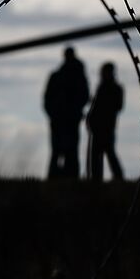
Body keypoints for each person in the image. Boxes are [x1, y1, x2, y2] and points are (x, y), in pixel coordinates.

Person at [43, 47, 89, 179]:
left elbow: (84, 96)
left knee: (66, 150)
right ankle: (63, 178)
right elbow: (47, 98)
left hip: (67, 118)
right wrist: (52, 112)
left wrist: (53, 112)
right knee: (62, 150)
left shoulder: (64, 76)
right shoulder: (66, 76)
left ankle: (63, 178)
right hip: (62, 118)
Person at [86, 62, 124, 181]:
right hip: (97, 127)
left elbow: (118, 106)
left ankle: (117, 177)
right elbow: (95, 107)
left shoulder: (115, 88)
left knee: (109, 152)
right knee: (97, 155)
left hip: (107, 126)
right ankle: (96, 179)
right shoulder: (102, 87)